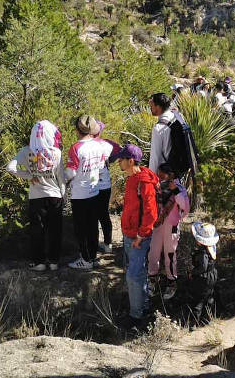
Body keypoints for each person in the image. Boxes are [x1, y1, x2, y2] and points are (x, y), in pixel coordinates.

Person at [6, 120, 65, 272]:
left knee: (37, 230)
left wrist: (28, 176)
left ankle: (39, 262)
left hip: (36, 196)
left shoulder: (26, 151)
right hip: (55, 196)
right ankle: (53, 262)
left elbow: (10, 168)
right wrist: (63, 195)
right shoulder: (56, 152)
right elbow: (61, 178)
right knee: (54, 231)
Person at [111, 142, 158, 329]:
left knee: (133, 276)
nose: (119, 163)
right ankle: (143, 309)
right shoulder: (132, 179)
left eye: (121, 160)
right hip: (130, 235)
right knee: (137, 274)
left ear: (131, 161)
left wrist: (141, 235)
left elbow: (151, 212)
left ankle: (136, 318)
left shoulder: (143, 182)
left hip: (138, 238)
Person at [63, 115, 113, 270]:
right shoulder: (99, 145)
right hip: (94, 190)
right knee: (92, 225)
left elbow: (71, 173)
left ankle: (85, 259)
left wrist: (62, 180)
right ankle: (92, 257)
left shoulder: (76, 148)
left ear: (77, 129)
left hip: (80, 193)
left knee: (81, 228)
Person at [149, 163, 190, 298]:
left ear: (171, 175)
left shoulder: (179, 189)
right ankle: (152, 280)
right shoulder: (157, 187)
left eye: (162, 175)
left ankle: (171, 282)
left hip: (171, 227)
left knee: (170, 255)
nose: (160, 178)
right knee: (153, 253)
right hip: (157, 225)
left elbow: (185, 208)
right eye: (158, 175)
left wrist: (176, 192)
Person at [176, 222, 219, 328]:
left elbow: (202, 268)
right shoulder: (211, 248)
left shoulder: (202, 253)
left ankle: (193, 323)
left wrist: (192, 273)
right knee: (209, 297)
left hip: (202, 279)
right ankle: (207, 319)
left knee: (198, 300)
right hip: (212, 275)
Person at [93, 121, 116, 254]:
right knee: (104, 214)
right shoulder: (107, 145)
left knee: (93, 216)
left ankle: (94, 244)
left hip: (93, 185)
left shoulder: (87, 146)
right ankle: (108, 244)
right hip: (105, 184)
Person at [148, 93, 176, 173]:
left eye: (152, 105)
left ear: (158, 107)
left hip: (166, 173)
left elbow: (155, 157)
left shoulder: (158, 128)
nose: (150, 108)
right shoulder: (176, 117)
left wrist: (151, 178)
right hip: (180, 171)